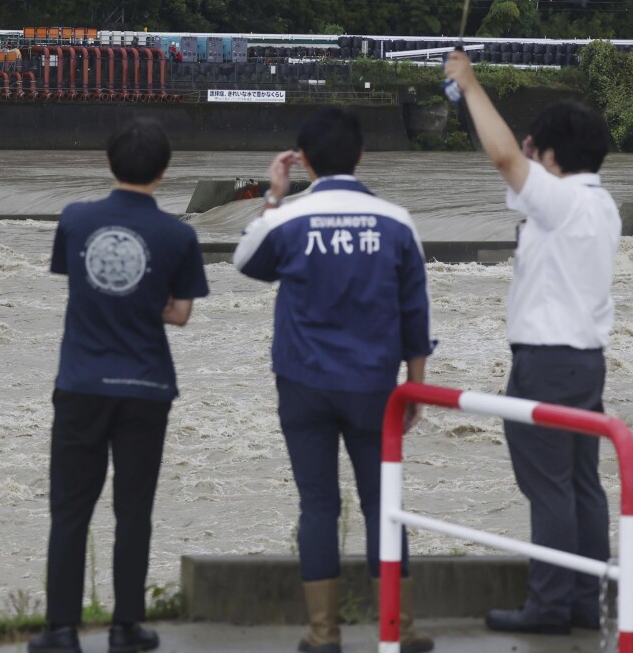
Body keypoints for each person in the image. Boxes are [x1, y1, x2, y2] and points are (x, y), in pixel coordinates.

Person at [232, 108, 434, 653]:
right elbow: (416, 309)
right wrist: (414, 384)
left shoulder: (288, 220)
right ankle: (401, 627)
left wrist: (274, 195)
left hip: (303, 383)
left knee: (318, 505)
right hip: (373, 385)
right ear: (362, 155)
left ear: (303, 162)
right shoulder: (395, 222)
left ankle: (323, 634)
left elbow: (245, 261)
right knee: (381, 502)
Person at [444, 52, 620, 635]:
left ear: (550, 158)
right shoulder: (600, 203)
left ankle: (547, 607)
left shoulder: (562, 199)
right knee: (581, 485)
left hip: (545, 362)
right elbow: (515, 170)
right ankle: (580, 601)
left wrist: (468, 83)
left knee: (547, 487)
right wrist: (527, 154)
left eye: (536, 149)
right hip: (586, 361)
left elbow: (501, 156)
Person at [30, 119, 209, 653]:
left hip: (81, 382)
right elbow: (180, 314)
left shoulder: (76, 220)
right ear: (165, 169)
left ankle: (60, 630)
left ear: (109, 163)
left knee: (69, 509)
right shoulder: (179, 235)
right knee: (133, 511)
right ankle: (125, 627)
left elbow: (80, 281)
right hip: (145, 386)